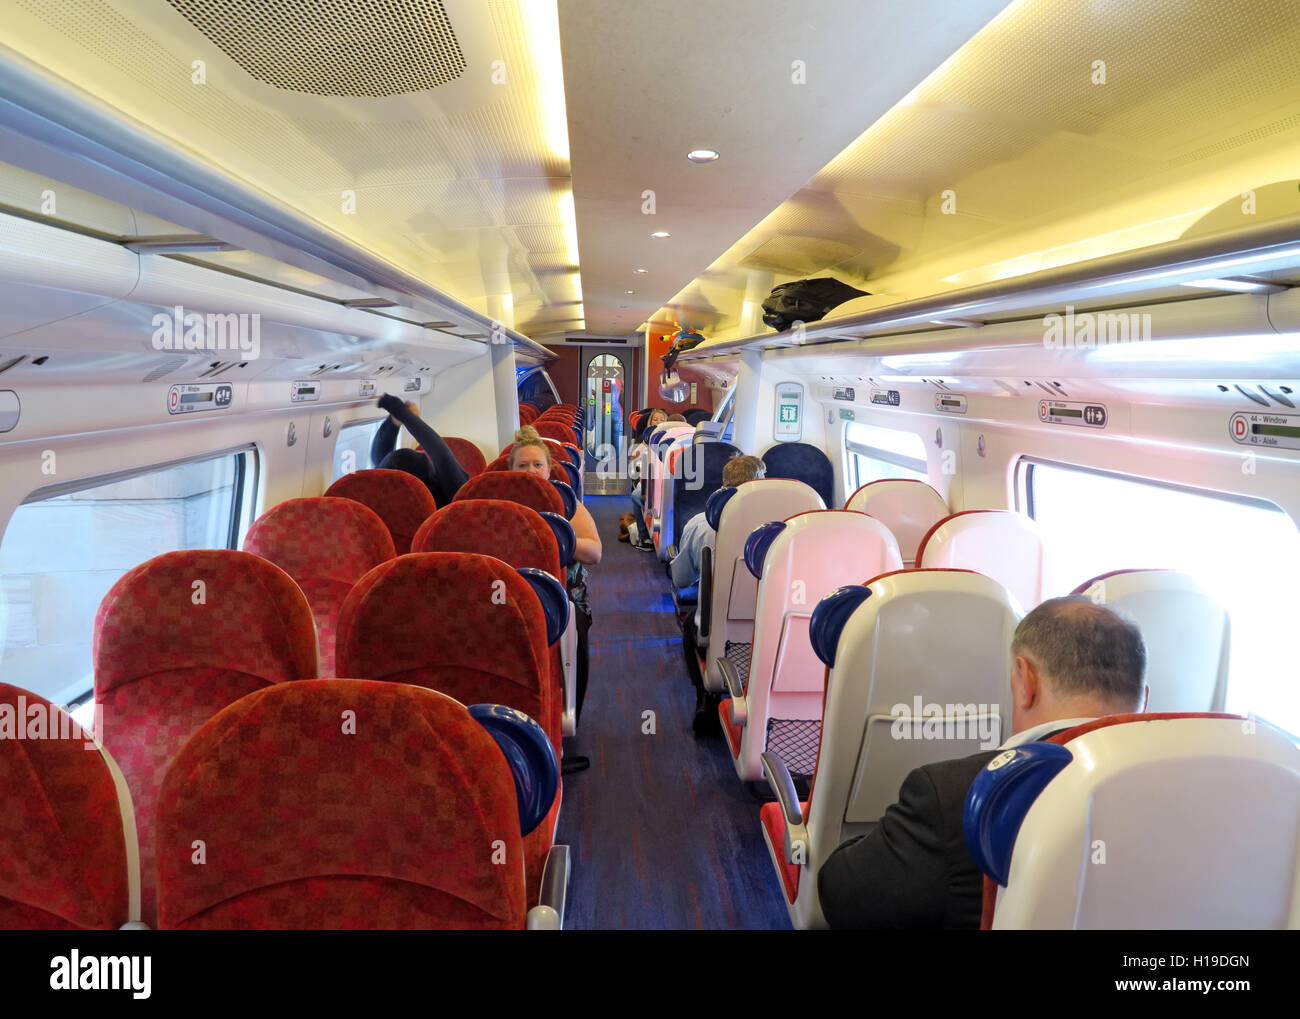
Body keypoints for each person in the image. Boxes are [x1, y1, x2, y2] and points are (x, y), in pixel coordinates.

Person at [816, 596, 1148, 929]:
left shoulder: (956, 795)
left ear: (1025, 681)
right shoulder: (1179, 788)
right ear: (1143, 698)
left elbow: (842, 896)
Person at [510, 426, 601, 771]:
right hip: (508, 598)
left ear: (550, 469)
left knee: (573, 624)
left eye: (538, 465)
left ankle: (565, 715)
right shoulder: (497, 508)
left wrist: (558, 539)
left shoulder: (567, 504)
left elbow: (595, 552)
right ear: (511, 471)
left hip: (563, 598)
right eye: (523, 465)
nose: (532, 471)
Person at [667, 453, 765, 733]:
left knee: (691, 625)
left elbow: (681, 579)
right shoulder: (786, 531)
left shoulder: (701, 525)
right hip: (770, 638)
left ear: (722, 488)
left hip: (718, 637)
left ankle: (706, 697)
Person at [370, 394, 469, 507]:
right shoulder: (454, 496)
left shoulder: (380, 497)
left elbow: (378, 462)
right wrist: (401, 413)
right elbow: (442, 457)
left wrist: (397, 416)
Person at [625, 408, 669, 546]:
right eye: (655, 419)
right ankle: (644, 536)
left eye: (662, 419)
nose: (658, 422)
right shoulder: (645, 440)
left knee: (636, 496)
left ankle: (645, 535)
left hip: (666, 482)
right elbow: (634, 457)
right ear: (650, 422)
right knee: (637, 494)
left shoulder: (672, 440)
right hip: (650, 480)